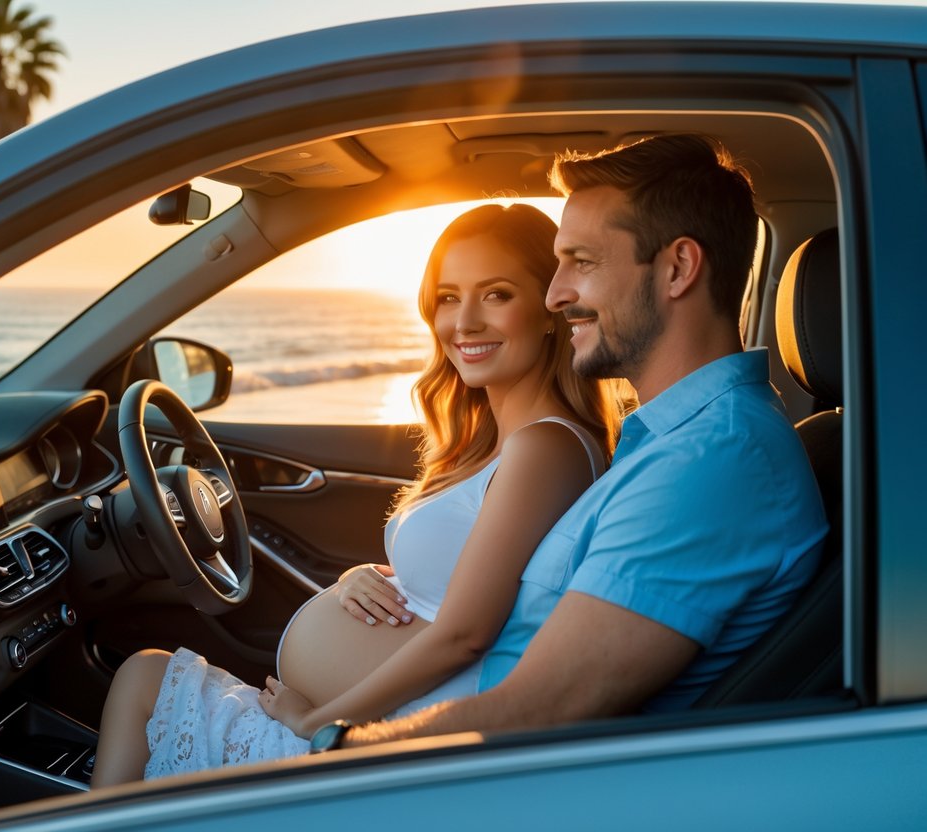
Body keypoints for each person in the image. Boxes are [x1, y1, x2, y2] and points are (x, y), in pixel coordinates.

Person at [315, 133, 829, 753]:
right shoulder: (671, 440)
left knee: (160, 682)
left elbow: (538, 709)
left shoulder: (714, 461)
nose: (556, 295)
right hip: (447, 758)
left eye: (581, 262)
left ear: (678, 268)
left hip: (460, 781)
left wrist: (328, 746)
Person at [89, 203, 621, 786]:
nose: (464, 321)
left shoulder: (545, 447)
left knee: (144, 679)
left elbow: (465, 635)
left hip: (390, 747)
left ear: (549, 309)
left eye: (495, 294)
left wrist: (319, 723)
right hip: (368, 724)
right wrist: (366, 578)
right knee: (147, 680)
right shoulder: (499, 443)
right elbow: (468, 584)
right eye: (448, 297)